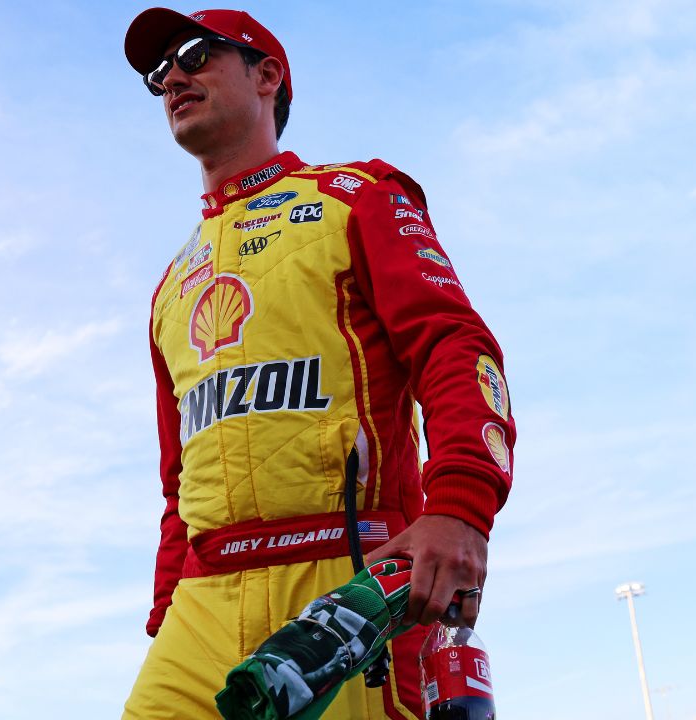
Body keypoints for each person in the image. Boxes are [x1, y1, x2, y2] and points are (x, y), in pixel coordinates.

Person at [122, 8, 516, 718]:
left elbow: (455, 347)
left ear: (267, 74)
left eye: (193, 54)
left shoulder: (358, 197)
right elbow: (178, 479)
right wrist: (164, 613)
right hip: (200, 607)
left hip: (349, 577)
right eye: (158, 73)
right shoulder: (170, 287)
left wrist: (461, 509)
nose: (172, 77)